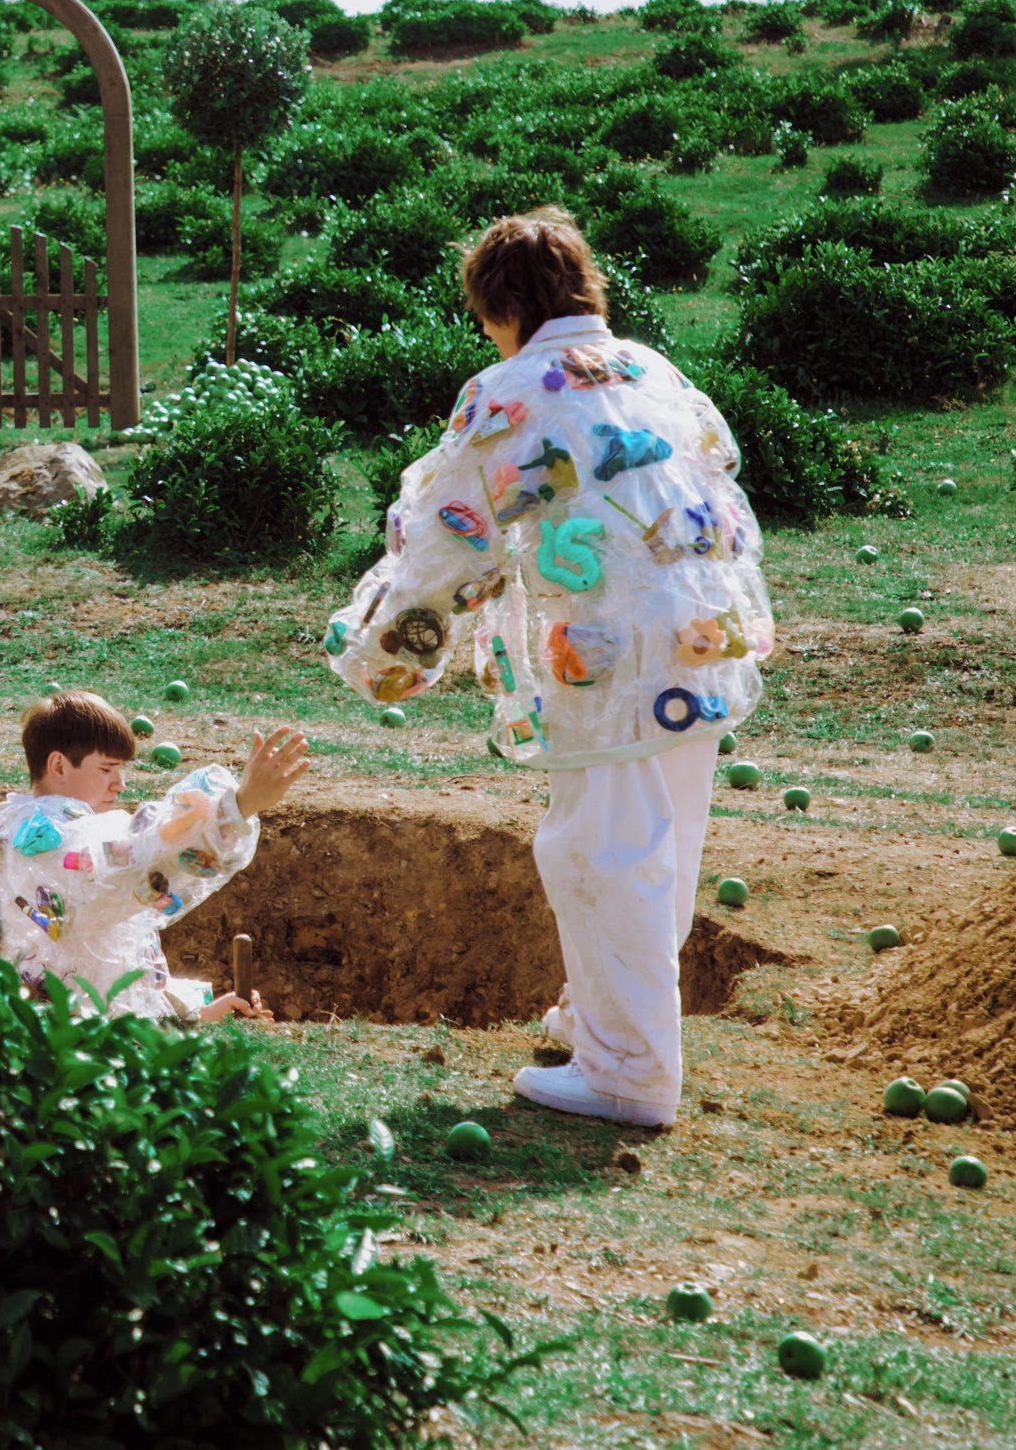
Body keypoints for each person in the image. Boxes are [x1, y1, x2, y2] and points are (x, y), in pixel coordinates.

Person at [320, 207, 775, 1129]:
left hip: (597, 656)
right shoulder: (653, 369)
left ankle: (629, 1072)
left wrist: (374, 650)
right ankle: (599, 1014)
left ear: (496, 306)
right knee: (665, 842)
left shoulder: (506, 391)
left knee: (600, 850)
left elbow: (450, 536)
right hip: (700, 639)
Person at [0, 690, 310, 1021]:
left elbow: (108, 962)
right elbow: (131, 860)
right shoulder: (45, 837)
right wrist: (238, 804)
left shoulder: (24, 827)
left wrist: (199, 1013)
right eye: (107, 769)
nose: (120, 784)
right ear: (59, 766)